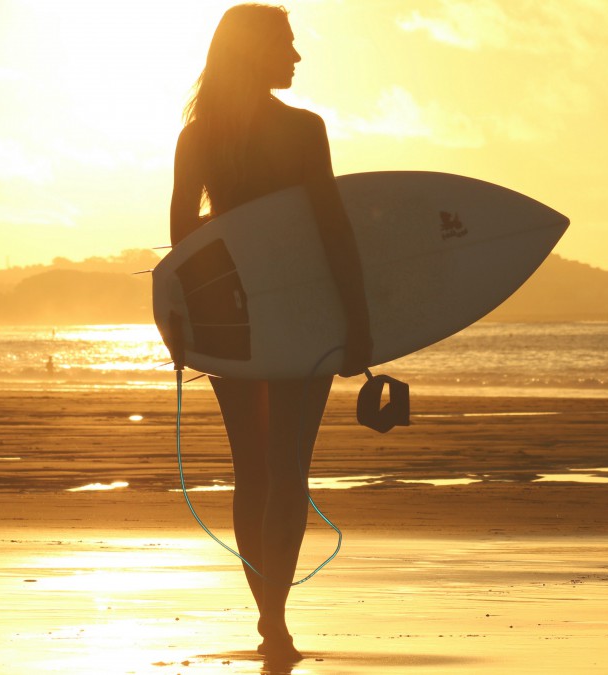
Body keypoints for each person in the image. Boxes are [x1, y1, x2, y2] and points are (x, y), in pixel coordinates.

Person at [169, 3, 373, 662]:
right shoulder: (304, 130)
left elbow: (181, 243)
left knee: (253, 473)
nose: (296, 56)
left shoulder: (198, 137)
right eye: (286, 43)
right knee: (288, 472)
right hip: (305, 321)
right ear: (256, 51)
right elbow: (333, 231)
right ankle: (275, 615)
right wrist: (359, 323)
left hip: (236, 325)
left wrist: (193, 327)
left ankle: (270, 615)